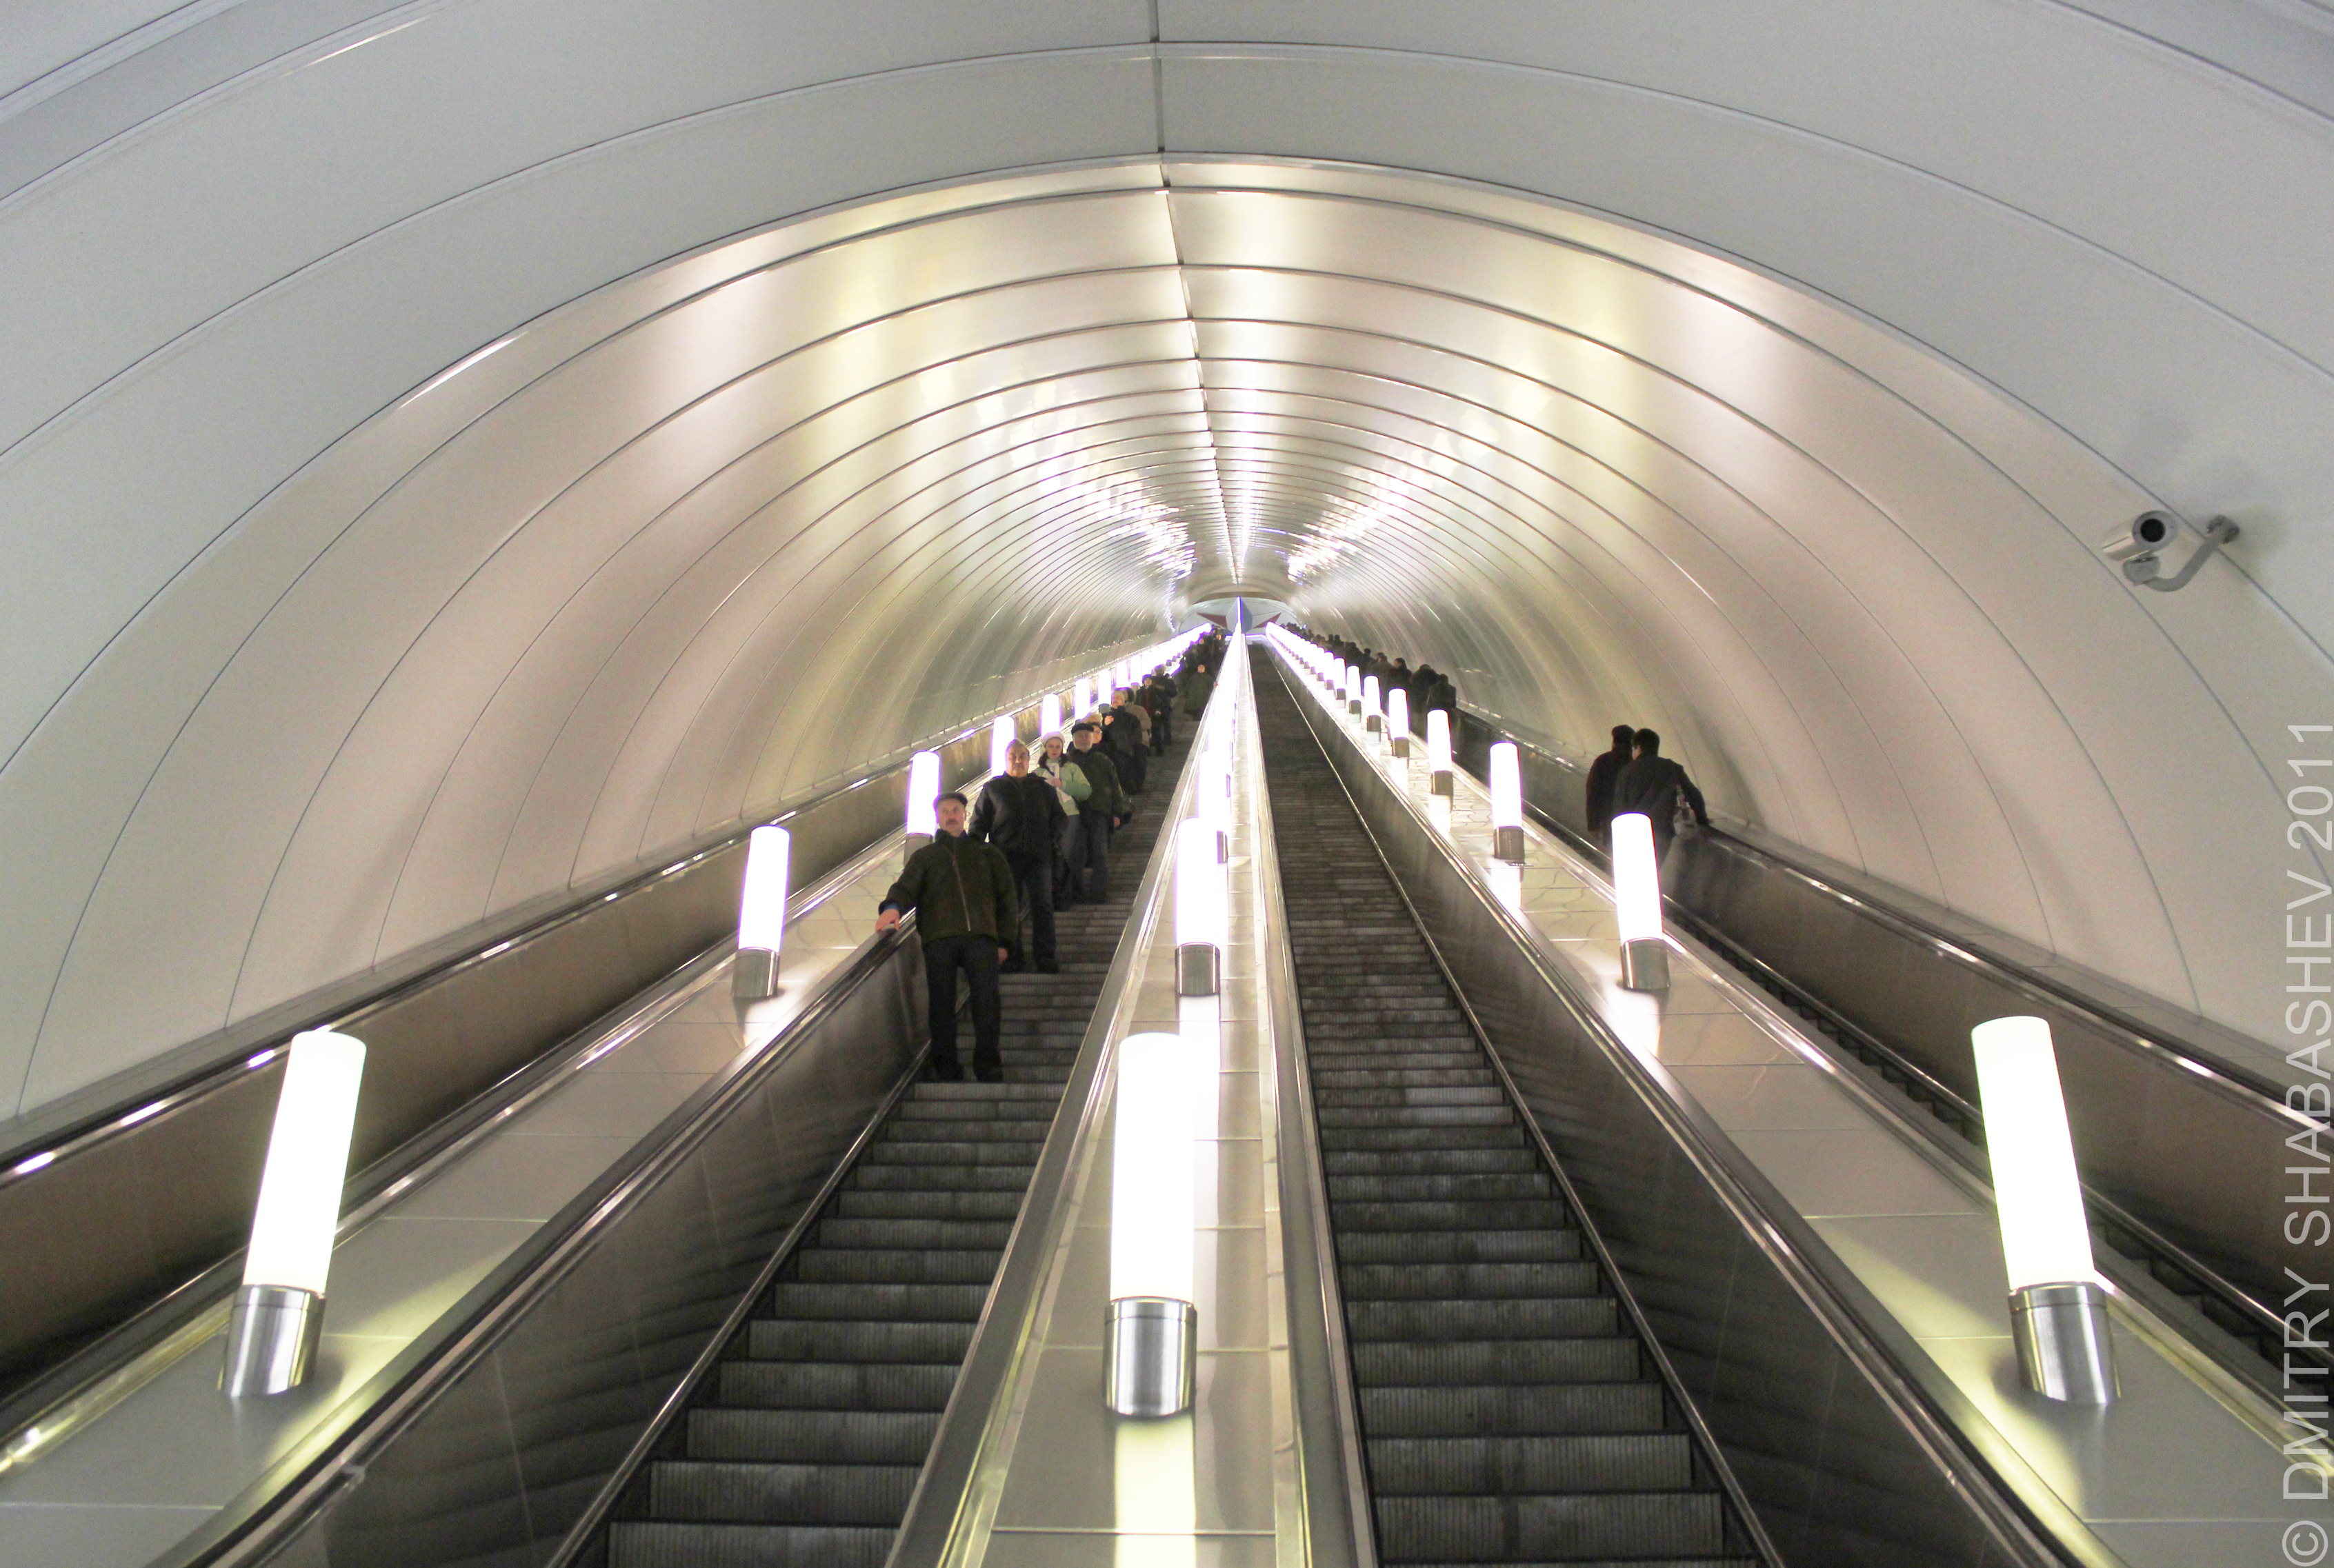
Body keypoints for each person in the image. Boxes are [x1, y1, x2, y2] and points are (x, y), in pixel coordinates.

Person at [875, 792, 1018, 1081]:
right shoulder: (925, 857)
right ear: (938, 818)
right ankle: (946, 1067)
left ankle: (988, 1064)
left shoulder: (987, 854)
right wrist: (892, 907)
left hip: (981, 937)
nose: (951, 815)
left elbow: (1007, 898)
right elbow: (906, 887)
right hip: (940, 938)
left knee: (987, 1003)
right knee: (941, 1005)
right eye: (945, 811)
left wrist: (1005, 941)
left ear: (965, 814)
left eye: (955, 810)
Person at [970, 740, 1066, 974]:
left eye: (1022, 756)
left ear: (1028, 759)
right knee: (1008, 909)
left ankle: (1045, 957)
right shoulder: (993, 789)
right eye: (1013, 756)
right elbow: (979, 824)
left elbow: (1060, 818)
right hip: (1005, 858)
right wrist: (975, 853)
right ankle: (1013, 957)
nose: (1018, 760)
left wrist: (1050, 841)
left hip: (1039, 857)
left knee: (1043, 906)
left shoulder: (1043, 788)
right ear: (1006, 760)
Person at [1610, 728, 1710, 863]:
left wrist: (1618, 837)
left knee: (1635, 869)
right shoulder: (1672, 768)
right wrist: (1702, 820)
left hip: (1634, 833)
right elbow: (1694, 795)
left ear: (1638, 748)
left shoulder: (1627, 771)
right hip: (1662, 832)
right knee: (1655, 869)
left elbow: (1620, 805)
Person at [1068, 721, 1128, 903]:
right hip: (1074, 815)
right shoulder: (1067, 762)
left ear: (1093, 738)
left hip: (1099, 813)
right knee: (1075, 855)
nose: (1084, 739)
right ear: (1074, 740)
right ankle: (1075, 894)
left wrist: (1117, 813)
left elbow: (1115, 787)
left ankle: (1098, 894)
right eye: (1080, 736)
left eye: (1087, 736)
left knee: (1100, 854)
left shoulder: (1103, 761)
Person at [1035, 732, 1087, 907]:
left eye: (1058, 747)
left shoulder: (1071, 768)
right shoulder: (1038, 773)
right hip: (1047, 818)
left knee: (1067, 855)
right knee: (1053, 857)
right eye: (1051, 746)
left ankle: (1068, 895)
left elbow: (1086, 791)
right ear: (1045, 749)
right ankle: (1056, 896)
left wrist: (1064, 785)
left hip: (1070, 815)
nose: (1055, 750)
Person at [1584, 724, 1637, 845]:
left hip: (1609, 818)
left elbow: (1593, 793)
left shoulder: (1602, 761)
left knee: (1613, 851)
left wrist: (1593, 824)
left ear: (1614, 742)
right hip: (1632, 821)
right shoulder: (1635, 765)